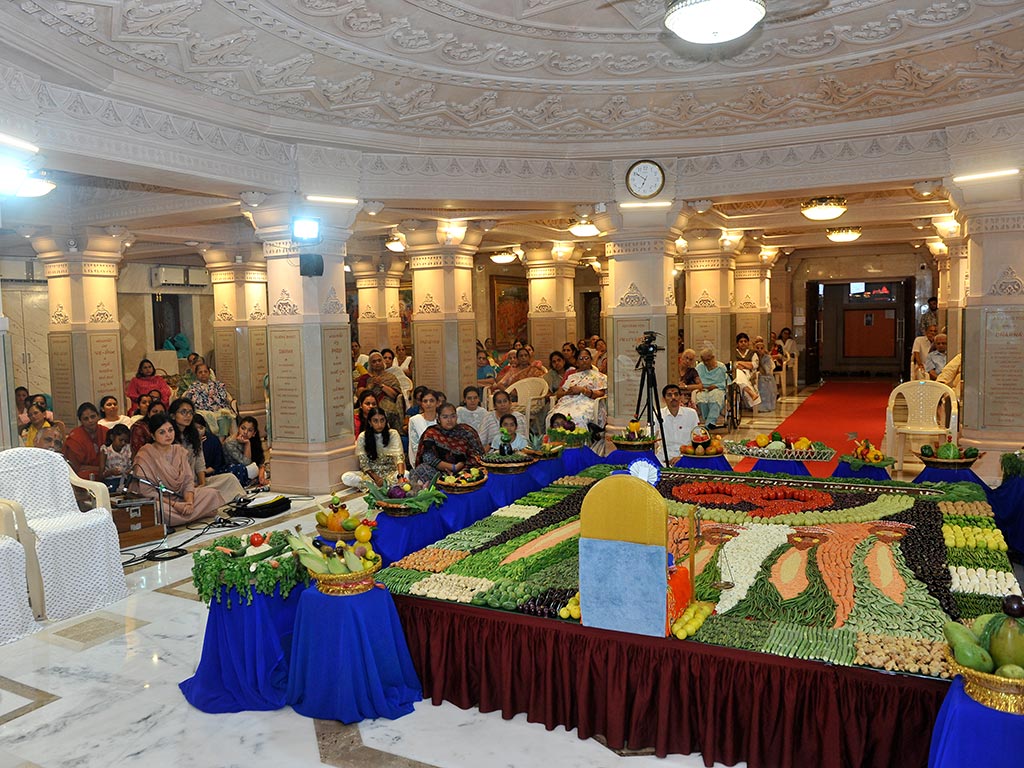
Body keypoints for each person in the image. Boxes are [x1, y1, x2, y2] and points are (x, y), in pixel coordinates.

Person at [130, 414, 228, 525]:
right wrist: (176, 505)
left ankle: (184, 515)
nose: (168, 435)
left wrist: (189, 502)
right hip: (161, 501)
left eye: (170, 430)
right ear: (153, 436)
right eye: (162, 432)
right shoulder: (145, 455)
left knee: (211, 494)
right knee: (157, 509)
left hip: (180, 497)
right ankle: (191, 515)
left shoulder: (179, 451)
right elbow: (147, 492)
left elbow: (188, 481)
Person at [169, 397, 244, 499]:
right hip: (180, 486)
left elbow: (199, 462)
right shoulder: (169, 438)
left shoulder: (194, 436)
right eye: (183, 412)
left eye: (190, 412)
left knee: (230, 478)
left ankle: (241, 501)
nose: (188, 416)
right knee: (209, 493)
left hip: (196, 482)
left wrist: (202, 483)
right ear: (173, 416)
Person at [412, 403, 485, 485]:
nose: (449, 420)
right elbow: (428, 458)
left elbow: (478, 455)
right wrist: (453, 467)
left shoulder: (467, 431)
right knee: (422, 469)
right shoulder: (431, 433)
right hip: (439, 473)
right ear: (438, 418)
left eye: (453, 416)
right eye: (445, 417)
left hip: (466, 473)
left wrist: (462, 470)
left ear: (457, 417)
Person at [343, 407, 406, 489]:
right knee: (346, 477)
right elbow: (364, 464)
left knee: (407, 474)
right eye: (375, 421)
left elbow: (399, 458)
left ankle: (380, 486)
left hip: (390, 473)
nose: (379, 424)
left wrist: (400, 476)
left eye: (382, 420)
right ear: (370, 422)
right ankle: (383, 486)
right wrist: (376, 478)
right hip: (371, 476)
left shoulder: (393, 434)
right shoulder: (363, 436)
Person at [551, 348, 607, 431]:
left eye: (586, 358)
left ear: (591, 360)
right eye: (581, 359)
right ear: (576, 362)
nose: (584, 361)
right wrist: (568, 392)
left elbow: (601, 393)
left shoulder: (599, 376)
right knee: (554, 416)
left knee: (577, 417)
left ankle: (578, 438)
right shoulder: (572, 377)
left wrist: (583, 390)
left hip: (587, 402)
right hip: (567, 402)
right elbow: (559, 394)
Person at [357, 351, 406, 432]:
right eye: (374, 361)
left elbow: (395, 395)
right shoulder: (365, 377)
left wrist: (381, 385)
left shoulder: (390, 377)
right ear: (370, 364)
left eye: (379, 360)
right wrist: (370, 386)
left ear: (383, 362)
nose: (377, 363)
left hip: (388, 405)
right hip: (369, 405)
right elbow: (360, 394)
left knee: (388, 412)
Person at [184, 362, 236, 437]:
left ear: (209, 373)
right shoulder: (193, 387)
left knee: (224, 417)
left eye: (205, 371)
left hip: (219, 410)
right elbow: (191, 402)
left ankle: (220, 441)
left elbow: (223, 398)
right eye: (200, 372)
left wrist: (213, 397)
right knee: (204, 417)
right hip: (202, 411)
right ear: (196, 375)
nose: (203, 374)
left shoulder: (218, 385)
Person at [64, 402, 108, 479]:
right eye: (86, 419)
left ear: (98, 416)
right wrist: (100, 469)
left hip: (107, 472)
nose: (90, 421)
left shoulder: (106, 432)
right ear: (80, 421)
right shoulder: (75, 438)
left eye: (93, 417)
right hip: (84, 475)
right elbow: (75, 467)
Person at [223, 416, 268, 487]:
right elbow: (246, 463)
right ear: (238, 428)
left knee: (265, 469)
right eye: (243, 428)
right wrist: (247, 444)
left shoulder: (253, 440)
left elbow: (260, 460)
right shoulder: (230, 443)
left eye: (250, 430)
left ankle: (257, 478)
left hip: (248, 469)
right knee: (252, 469)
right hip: (234, 471)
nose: (245, 432)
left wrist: (261, 471)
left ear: (254, 433)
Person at [660, 383, 699, 461]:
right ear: (664, 399)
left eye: (676, 394)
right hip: (664, 457)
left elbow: (697, 439)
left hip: (687, 457)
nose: (673, 397)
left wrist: (682, 458)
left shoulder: (691, 414)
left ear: (680, 397)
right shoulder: (658, 415)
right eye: (669, 395)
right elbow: (652, 439)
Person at [694, 348, 731, 429]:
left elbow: (727, 382)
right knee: (701, 399)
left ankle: (710, 422)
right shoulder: (699, 367)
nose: (706, 363)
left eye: (708, 360)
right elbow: (695, 380)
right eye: (704, 361)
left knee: (715, 398)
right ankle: (706, 418)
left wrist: (716, 386)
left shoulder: (721, 367)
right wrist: (700, 386)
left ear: (713, 357)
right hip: (703, 388)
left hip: (717, 388)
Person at [408, 389, 439, 467]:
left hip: (442, 461)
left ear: (437, 403)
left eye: (431, 401)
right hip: (422, 461)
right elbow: (414, 446)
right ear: (421, 404)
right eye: (425, 401)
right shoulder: (414, 420)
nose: (428, 404)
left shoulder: (442, 419)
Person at [98, 424, 132, 492]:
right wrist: (111, 472)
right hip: (111, 481)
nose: (123, 443)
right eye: (120, 440)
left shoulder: (128, 448)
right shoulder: (105, 450)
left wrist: (129, 471)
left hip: (125, 480)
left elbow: (133, 465)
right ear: (112, 437)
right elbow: (101, 475)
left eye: (125, 441)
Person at [732, 333, 762, 408]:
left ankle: (748, 393)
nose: (743, 343)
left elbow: (754, 365)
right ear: (737, 343)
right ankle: (750, 392)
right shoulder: (733, 353)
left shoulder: (752, 353)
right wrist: (745, 364)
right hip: (736, 373)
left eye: (745, 341)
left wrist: (739, 362)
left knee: (738, 375)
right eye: (741, 341)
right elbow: (733, 364)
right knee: (738, 373)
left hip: (749, 374)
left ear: (748, 343)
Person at [754, 339, 778, 412]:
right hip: (755, 376)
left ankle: (765, 406)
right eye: (757, 348)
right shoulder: (753, 356)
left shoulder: (767, 358)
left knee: (763, 383)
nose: (759, 350)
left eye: (761, 348)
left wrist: (759, 361)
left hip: (766, 377)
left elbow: (765, 371)